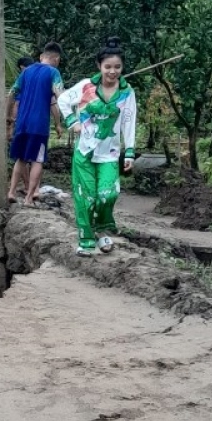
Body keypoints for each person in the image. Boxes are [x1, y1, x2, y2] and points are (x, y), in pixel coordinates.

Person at [56, 37, 137, 257]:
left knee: (108, 195)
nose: (113, 71)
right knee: (86, 197)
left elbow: (129, 121)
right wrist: (72, 122)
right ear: (99, 66)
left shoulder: (127, 92)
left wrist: (129, 151)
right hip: (84, 152)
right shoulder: (86, 87)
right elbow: (63, 100)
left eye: (117, 67)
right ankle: (87, 239)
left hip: (109, 154)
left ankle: (102, 228)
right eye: (108, 67)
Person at [7, 43, 65, 206]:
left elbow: (11, 93)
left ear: (41, 57)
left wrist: (8, 117)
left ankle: (11, 192)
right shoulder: (54, 72)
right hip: (39, 125)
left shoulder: (26, 72)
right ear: (57, 59)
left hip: (22, 124)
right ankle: (28, 198)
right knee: (38, 160)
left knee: (21, 159)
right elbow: (59, 95)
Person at [6, 56, 36, 144]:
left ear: (22, 67)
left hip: (22, 117)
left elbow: (16, 101)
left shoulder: (24, 78)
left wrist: (10, 117)